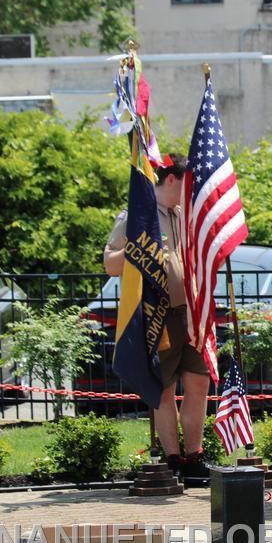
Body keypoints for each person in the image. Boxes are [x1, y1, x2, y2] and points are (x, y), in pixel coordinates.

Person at [104, 153, 210, 484]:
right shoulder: (138, 216)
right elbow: (110, 264)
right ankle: (173, 458)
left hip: (190, 313)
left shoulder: (184, 215)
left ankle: (195, 456)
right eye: (186, 181)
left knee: (198, 382)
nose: (190, 188)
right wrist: (135, 248)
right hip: (157, 315)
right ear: (172, 179)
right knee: (163, 389)